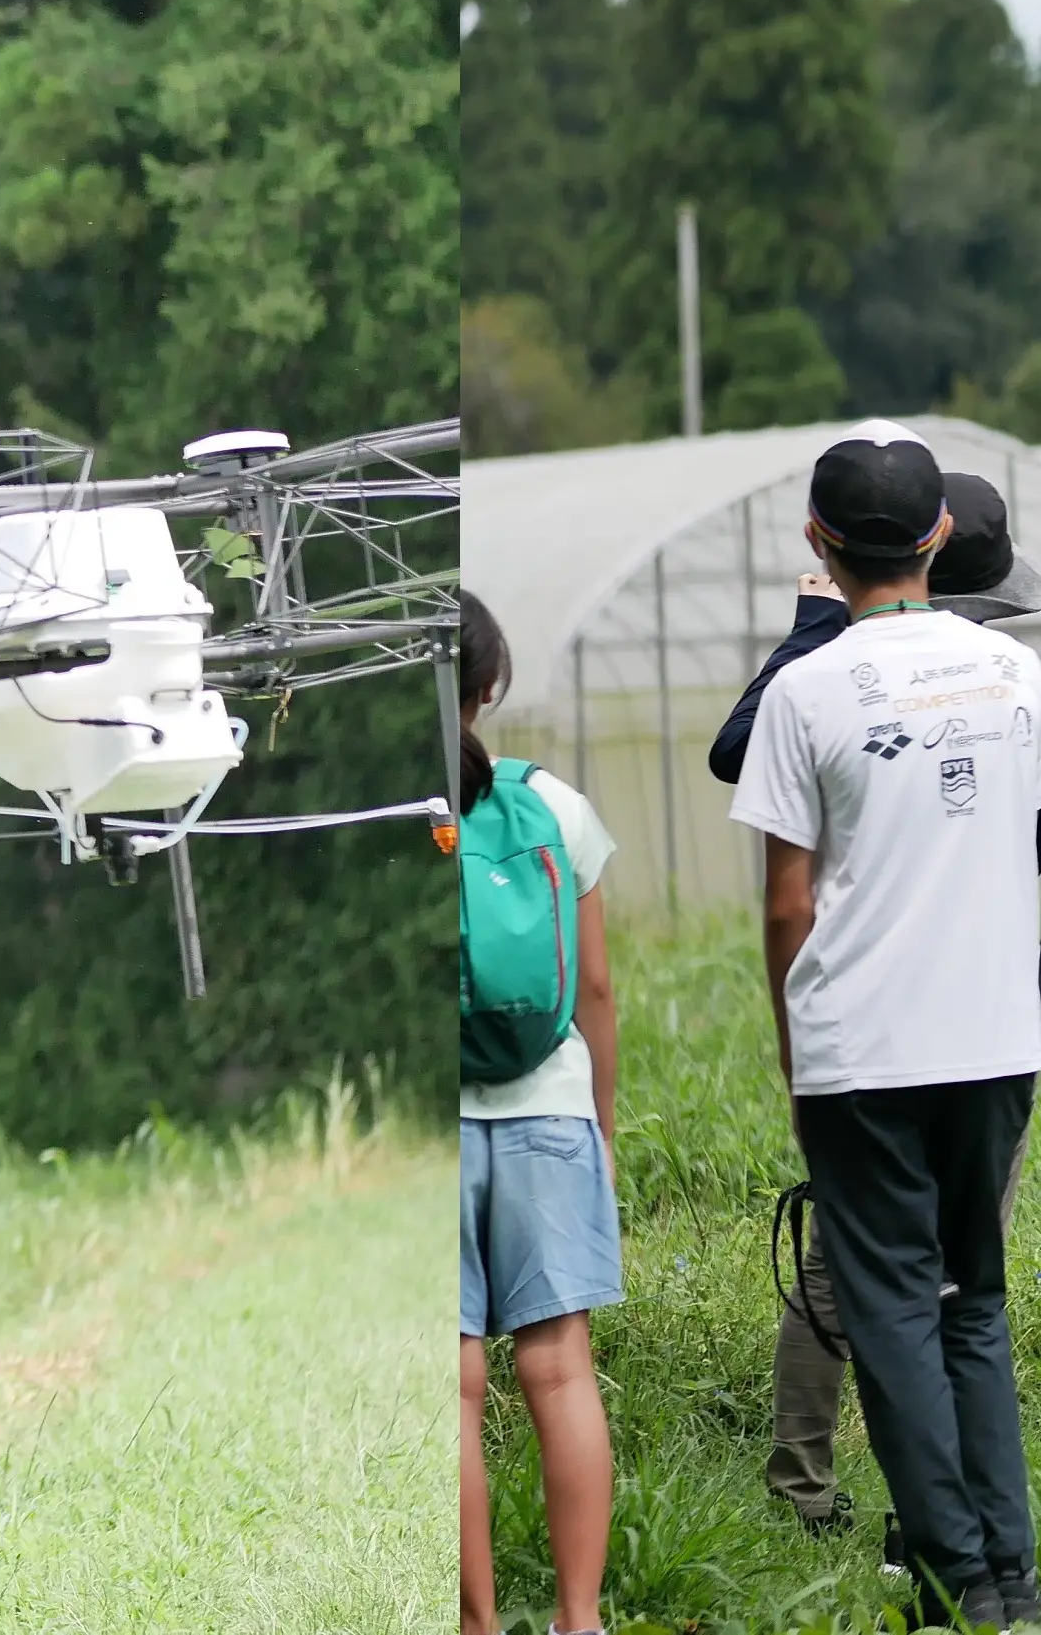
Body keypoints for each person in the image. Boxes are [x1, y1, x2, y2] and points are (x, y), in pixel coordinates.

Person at [731, 435, 1041, 1627]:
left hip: (862, 1050)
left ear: (817, 546)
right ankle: (1010, 1574)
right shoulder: (1018, 675)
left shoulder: (800, 692)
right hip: (995, 1035)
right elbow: (1020, 833)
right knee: (973, 1300)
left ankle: (952, 1572)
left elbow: (786, 900)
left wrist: (790, 1037)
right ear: (938, 538)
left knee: (886, 1313)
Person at [454, 592, 624, 1635]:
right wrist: (599, 1126)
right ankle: (578, 1619)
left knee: (453, 1387)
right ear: (486, 688)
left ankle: (474, 1624)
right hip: (547, 1109)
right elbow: (595, 989)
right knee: (557, 1371)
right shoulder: (551, 806)